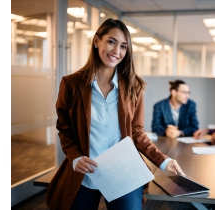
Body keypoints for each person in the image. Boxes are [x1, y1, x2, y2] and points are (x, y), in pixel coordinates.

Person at [45, 18, 185, 210]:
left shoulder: (134, 87)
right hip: (86, 172)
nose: (116, 51)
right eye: (111, 41)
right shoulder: (71, 84)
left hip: (123, 171)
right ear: (96, 41)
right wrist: (75, 157)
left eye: (123, 46)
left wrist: (163, 160)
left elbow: (136, 132)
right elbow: (64, 128)